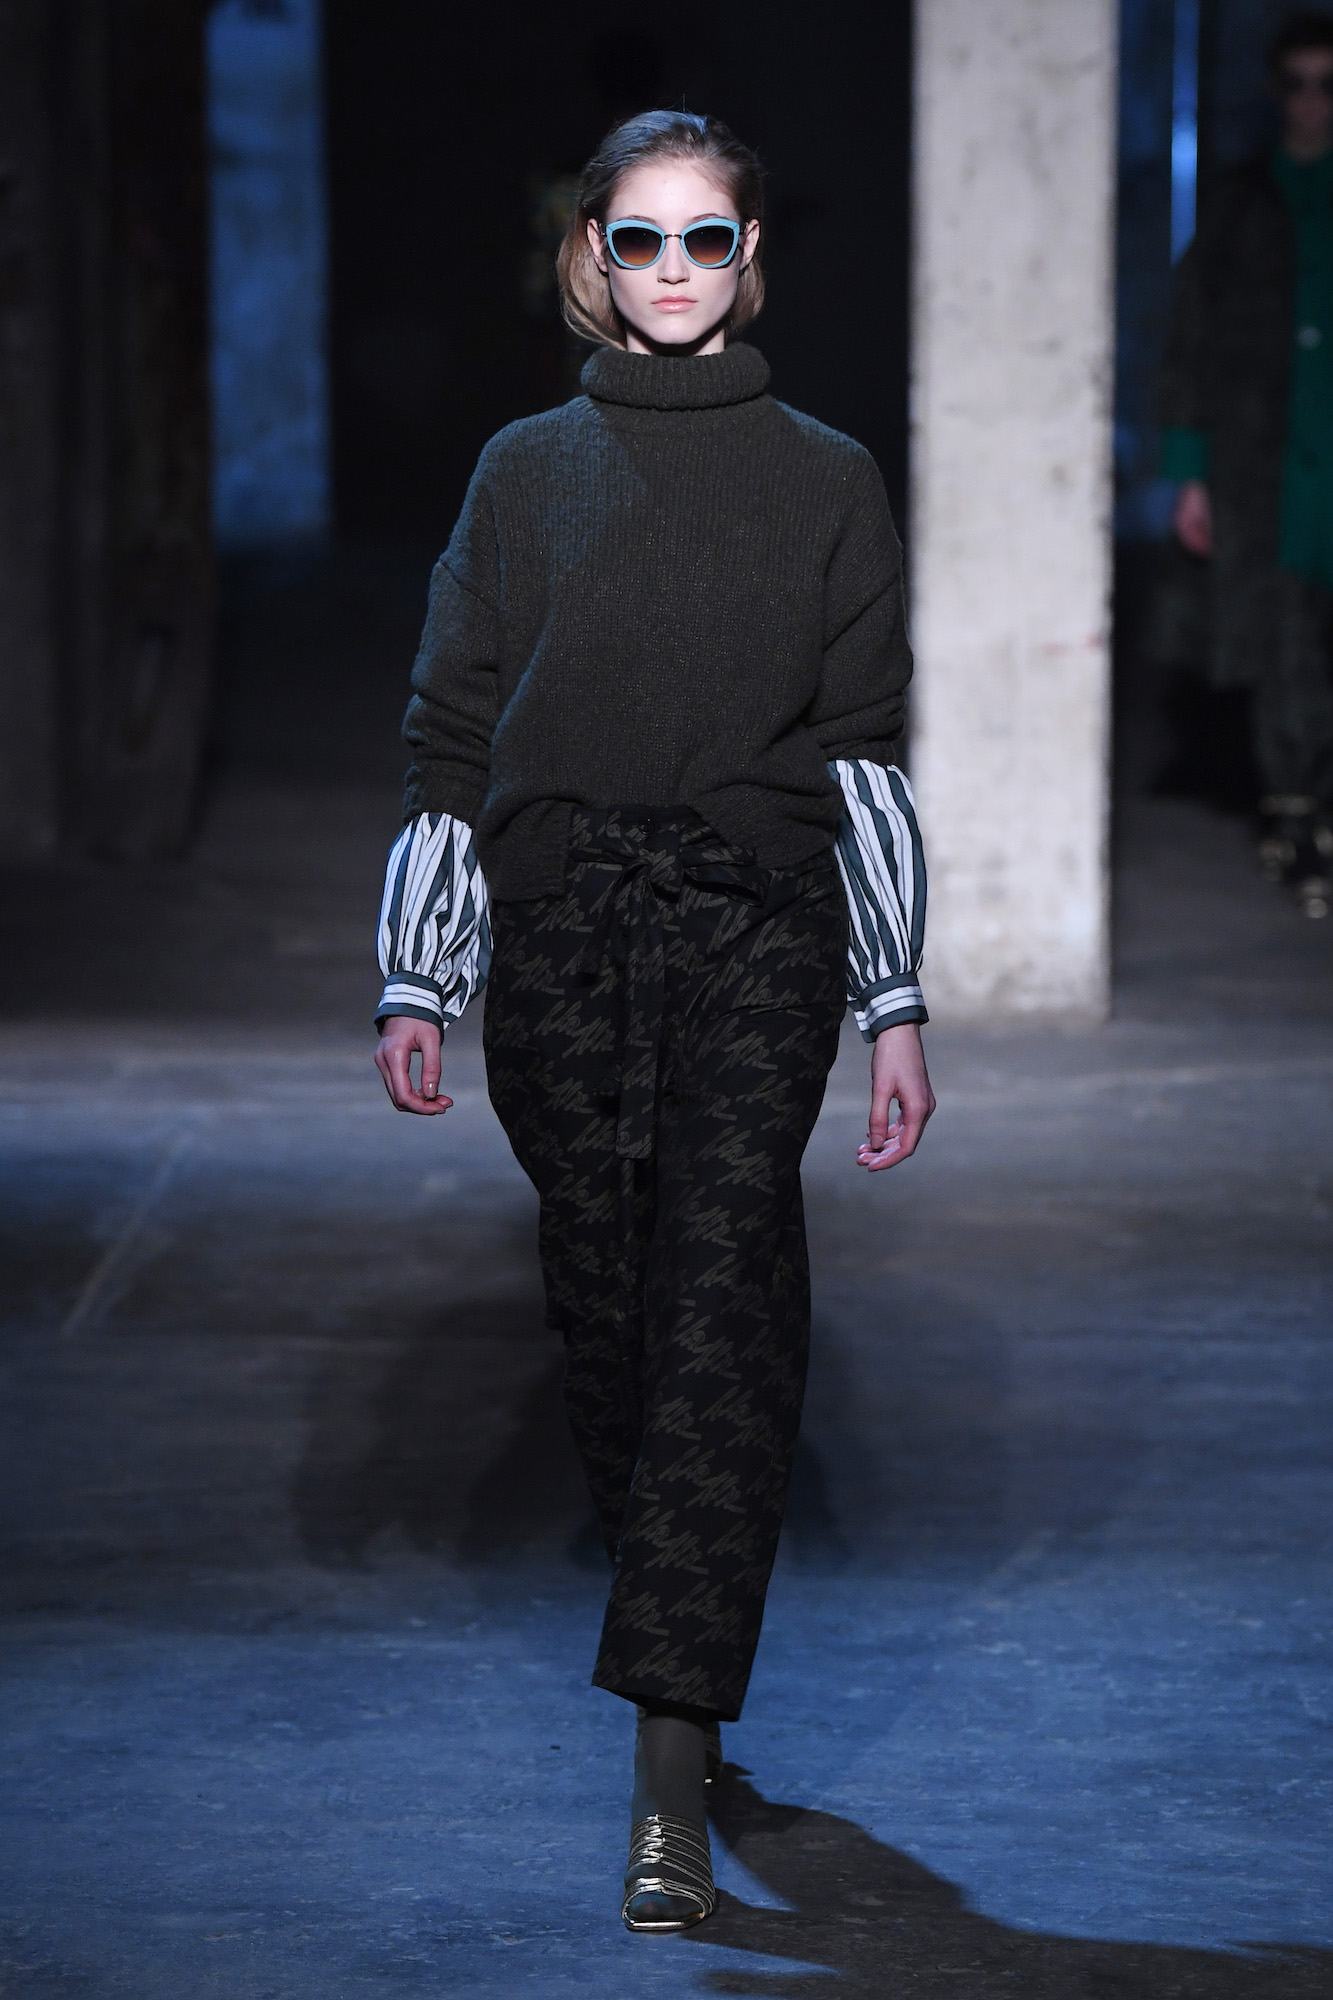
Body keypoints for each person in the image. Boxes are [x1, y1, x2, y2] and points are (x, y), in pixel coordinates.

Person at [372, 110, 934, 1934]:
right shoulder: (522, 471)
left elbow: (861, 753)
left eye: (705, 237)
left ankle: (666, 1776)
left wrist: (894, 1002)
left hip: (754, 928)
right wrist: (423, 967)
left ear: (750, 253)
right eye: (640, 238)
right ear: (590, 258)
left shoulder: (827, 477)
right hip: (559, 937)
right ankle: (679, 1670)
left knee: (720, 1307)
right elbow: (453, 733)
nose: (674, 269)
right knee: (610, 1324)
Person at [1162, 9, 1333, 918]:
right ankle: (1297, 817)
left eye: (1327, 84)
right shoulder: (1238, 201)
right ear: (1275, 93)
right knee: (1281, 639)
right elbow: (1188, 332)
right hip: (1262, 461)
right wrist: (1189, 467)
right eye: (1296, 83)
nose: (1311, 102)